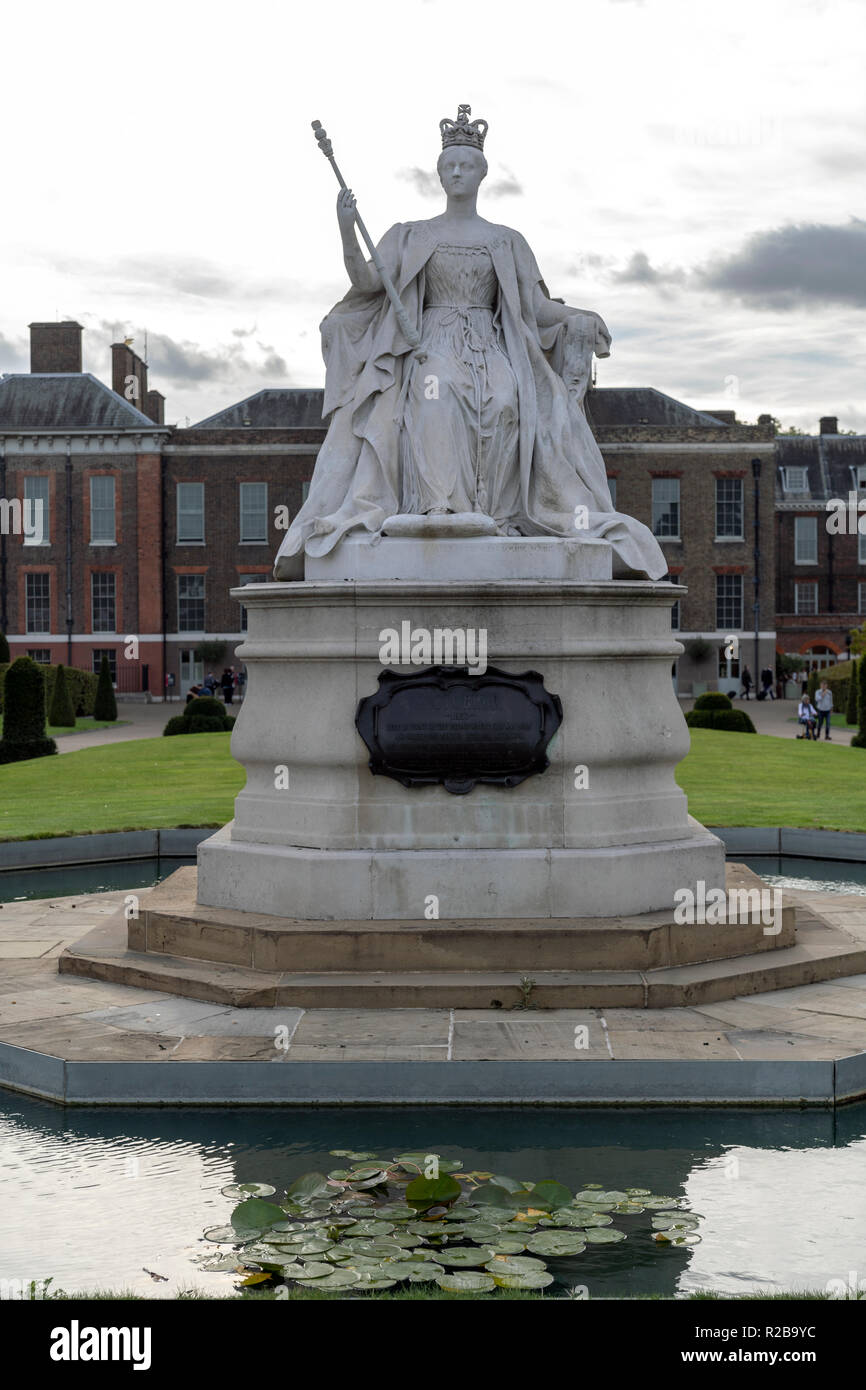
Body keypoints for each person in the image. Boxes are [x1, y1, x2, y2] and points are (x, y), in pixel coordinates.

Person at [273, 105, 667, 583]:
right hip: (428, 342)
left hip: (490, 345)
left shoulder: (506, 241)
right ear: (439, 175)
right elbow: (365, 281)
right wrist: (345, 226)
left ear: (482, 173)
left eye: (465, 166)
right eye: (448, 166)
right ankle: (440, 509)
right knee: (436, 391)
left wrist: (579, 317)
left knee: (505, 399)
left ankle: (494, 515)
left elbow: (536, 309)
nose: (456, 173)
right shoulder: (412, 234)